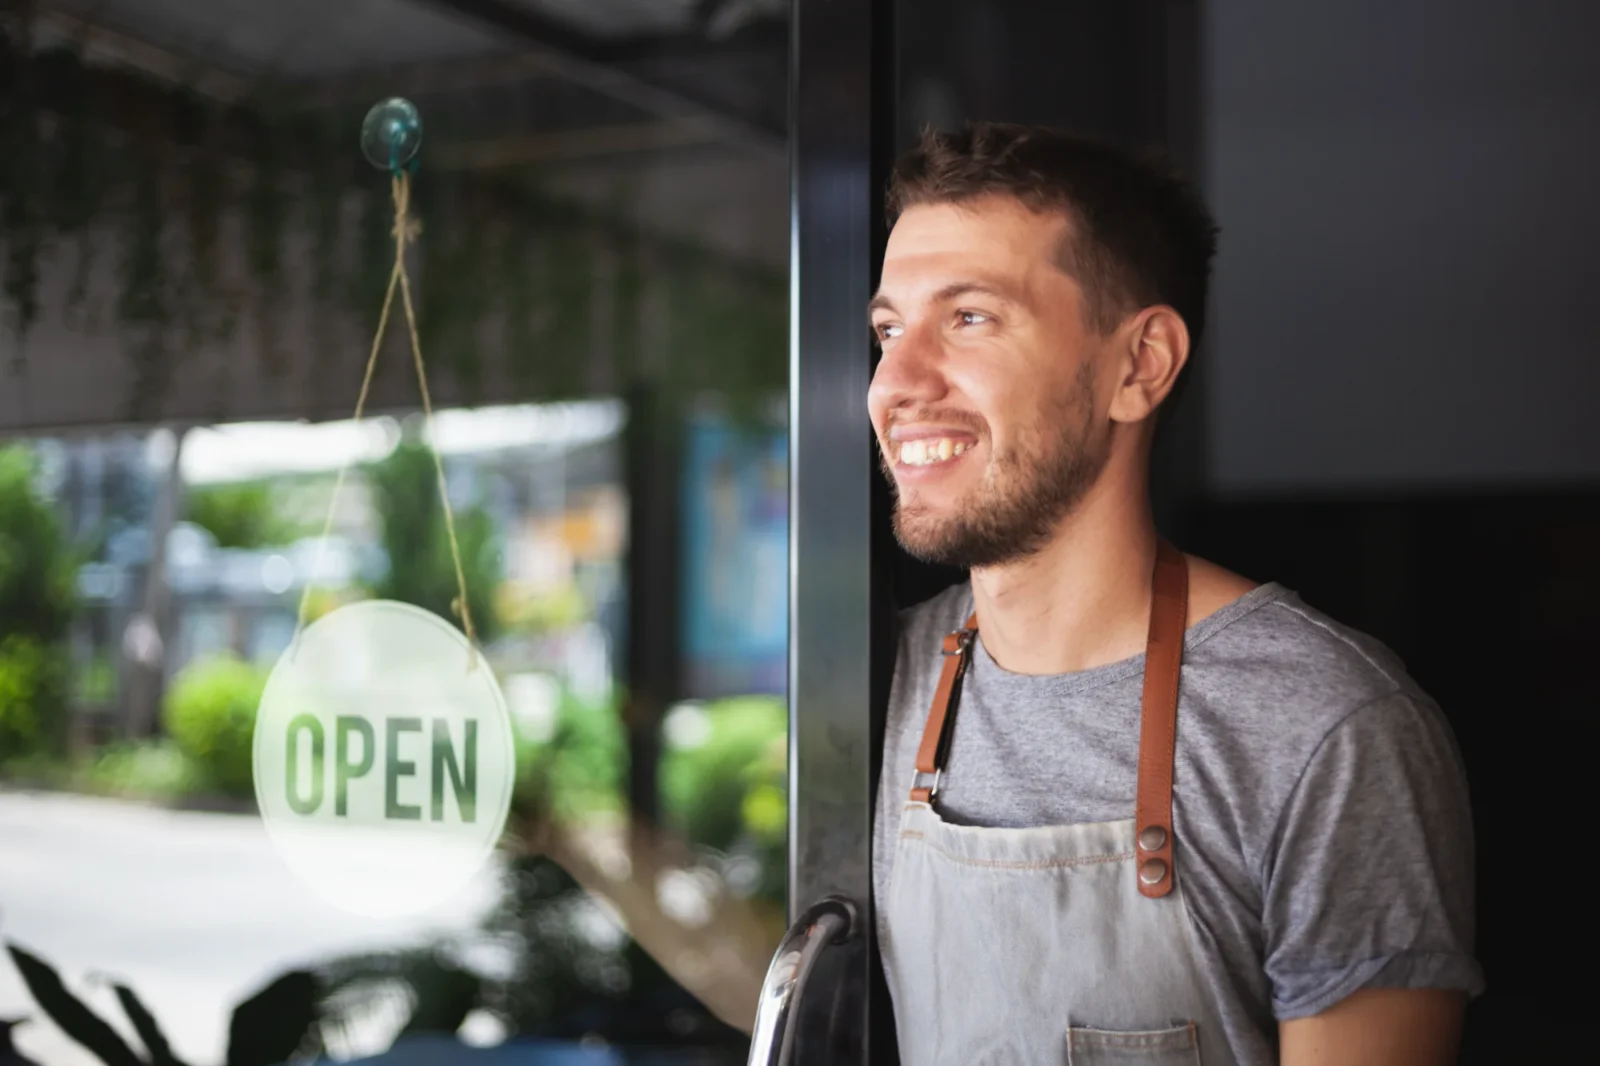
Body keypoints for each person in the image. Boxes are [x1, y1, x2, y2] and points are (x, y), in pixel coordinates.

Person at [867, 123, 1482, 1065]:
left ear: (1139, 365)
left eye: (971, 317)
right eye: (888, 329)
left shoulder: (1325, 725)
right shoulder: (877, 680)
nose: (896, 383)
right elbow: (780, 981)